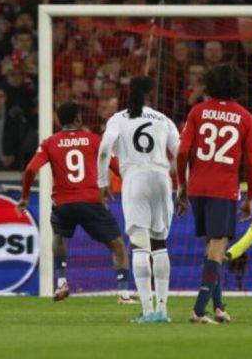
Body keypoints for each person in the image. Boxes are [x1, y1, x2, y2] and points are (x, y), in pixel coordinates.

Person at [17, 102, 133, 304]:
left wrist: (25, 197)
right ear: (78, 118)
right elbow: (118, 167)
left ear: (58, 120)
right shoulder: (94, 140)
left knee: (60, 236)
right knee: (118, 246)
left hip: (63, 204)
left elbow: (29, 170)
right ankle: (123, 293)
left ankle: (61, 282)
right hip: (91, 202)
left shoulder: (49, 143)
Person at [176, 63, 252, 324]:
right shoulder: (245, 117)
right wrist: (251, 197)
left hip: (198, 187)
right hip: (224, 189)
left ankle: (219, 307)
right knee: (218, 247)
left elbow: (181, 152)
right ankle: (199, 311)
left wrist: (182, 185)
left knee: (211, 247)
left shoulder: (198, 111)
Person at [98, 77, 180, 323]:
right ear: (150, 95)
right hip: (162, 179)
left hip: (134, 179)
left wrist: (102, 183)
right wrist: (183, 186)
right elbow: (181, 153)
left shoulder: (119, 118)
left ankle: (147, 310)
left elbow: (104, 150)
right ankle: (163, 309)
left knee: (140, 246)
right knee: (160, 244)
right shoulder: (164, 119)